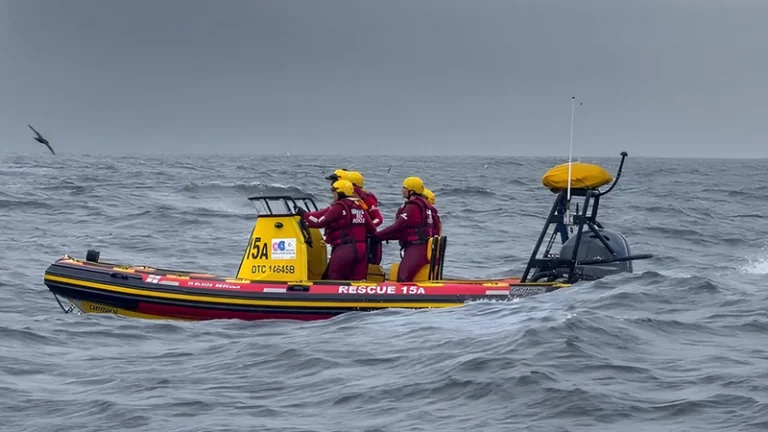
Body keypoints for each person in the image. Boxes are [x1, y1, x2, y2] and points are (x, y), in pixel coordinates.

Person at [295, 179, 377, 281]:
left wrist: (304, 214)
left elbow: (318, 223)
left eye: (333, 192)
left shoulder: (339, 206)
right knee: (357, 281)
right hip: (362, 250)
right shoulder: (359, 206)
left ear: (339, 193)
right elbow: (372, 228)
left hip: (346, 249)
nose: (333, 195)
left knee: (333, 279)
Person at [375, 176, 434, 282]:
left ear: (411, 191)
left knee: (402, 279)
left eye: (404, 188)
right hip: (419, 247)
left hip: (416, 248)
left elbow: (397, 226)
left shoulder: (413, 206)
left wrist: (376, 236)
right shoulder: (424, 205)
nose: (402, 190)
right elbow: (403, 231)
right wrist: (383, 237)